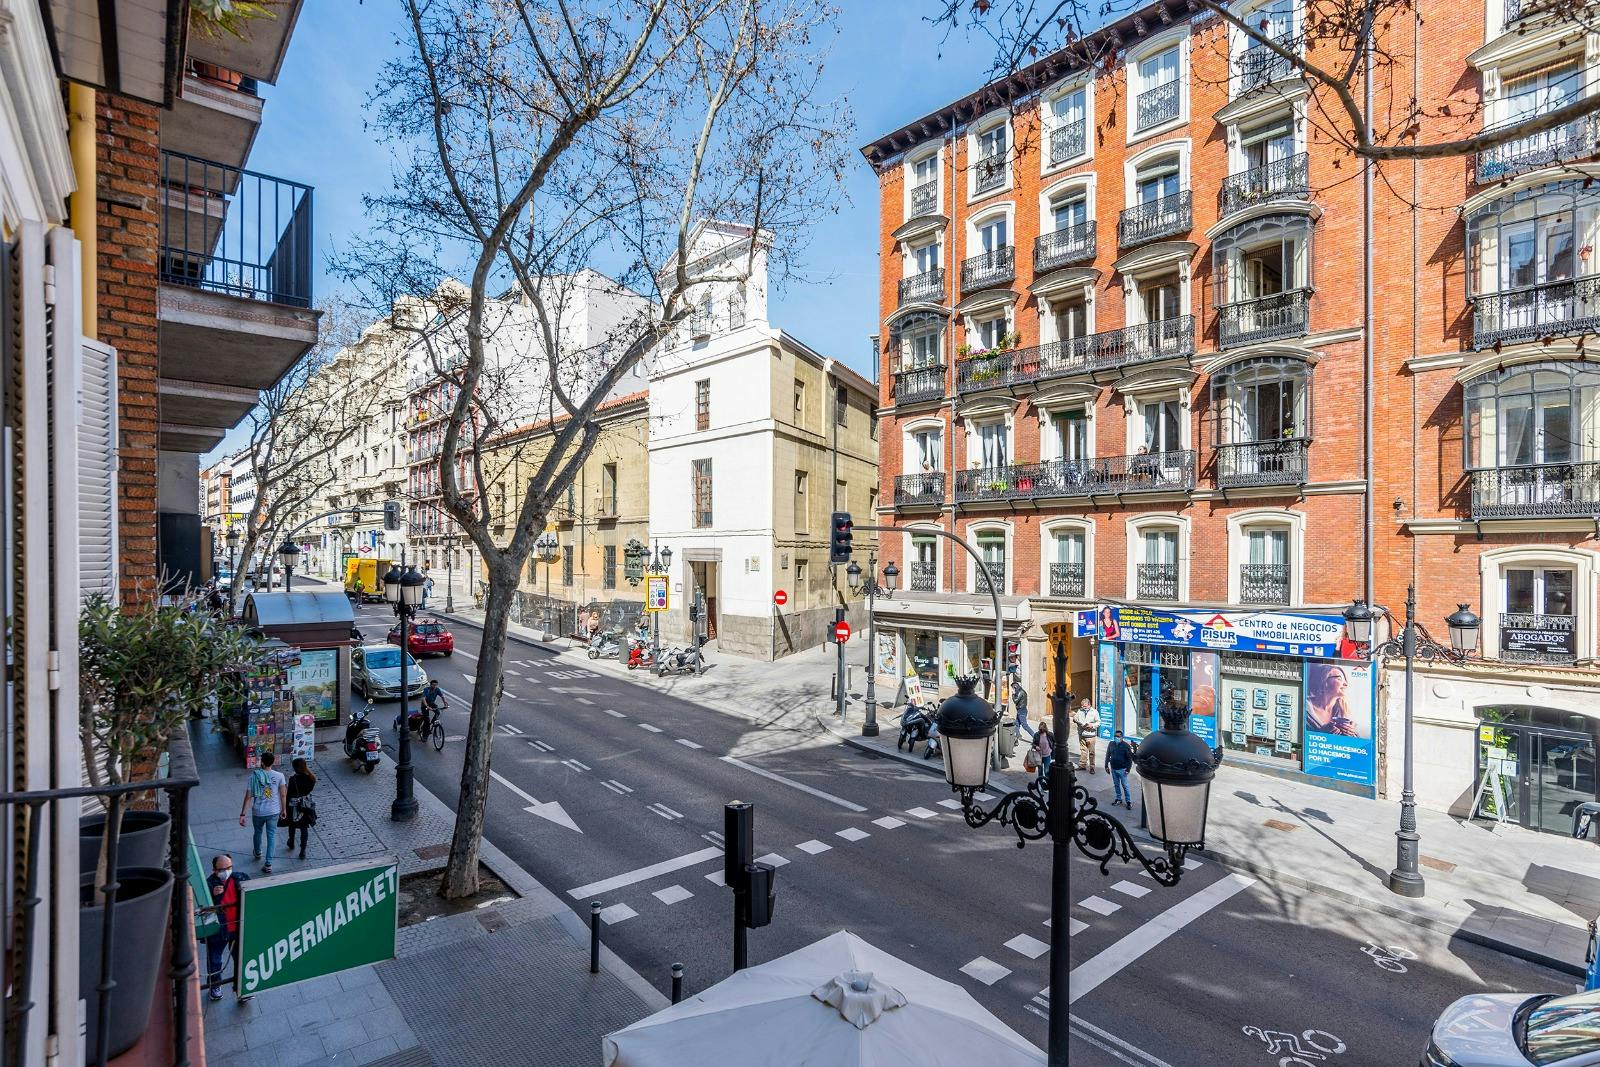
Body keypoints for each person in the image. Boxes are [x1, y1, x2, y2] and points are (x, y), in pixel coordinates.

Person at [204, 854, 249, 1000]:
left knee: (240, 959)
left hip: (238, 927)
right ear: (214, 870)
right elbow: (203, 907)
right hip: (219, 931)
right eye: (222, 869)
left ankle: (242, 988)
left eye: (229, 867)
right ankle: (215, 985)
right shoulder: (208, 884)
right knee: (215, 959)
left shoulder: (240, 878)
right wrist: (212, 895)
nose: (226, 871)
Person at [239, 750, 287, 873]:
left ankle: (258, 852)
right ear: (272, 762)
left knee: (258, 832)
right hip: (273, 811)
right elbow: (283, 795)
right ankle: (268, 863)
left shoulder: (253, 776)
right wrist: (284, 809)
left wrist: (243, 814)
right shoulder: (280, 776)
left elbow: (248, 797)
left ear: (262, 763)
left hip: (258, 812)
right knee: (271, 836)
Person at [1305, 664, 1360, 736]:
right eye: (1340, 679)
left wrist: (1352, 733)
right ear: (1324, 681)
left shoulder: (1344, 712)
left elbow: (1357, 741)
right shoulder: (1304, 707)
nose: (1346, 684)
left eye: (1345, 680)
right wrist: (1321, 733)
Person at [283, 757, 317, 861]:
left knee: (292, 825)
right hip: (305, 806)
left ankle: (291, 841)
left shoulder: (293, 779)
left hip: (294, 806)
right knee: (304, 828)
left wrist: (285, 807)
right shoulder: (311, 778)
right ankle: (303, 850)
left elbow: (289, 794)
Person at [1105, 730, 1136, 809]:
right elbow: (1108, 755)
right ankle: (1118, 799)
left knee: (1125, 785)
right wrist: (1106, 766)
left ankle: (1128, 801)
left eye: (1118, 736)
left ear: (1122, 737)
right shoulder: (1111, 744)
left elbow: (1129, 759)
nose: (1116, 738)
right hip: (1113, 768)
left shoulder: (1126, 746)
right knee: (1116, 784)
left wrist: (1128, 769)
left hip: (1122, 769)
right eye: (1115, 736)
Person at [1073, 699, 1101, 774]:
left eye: (1084, 706)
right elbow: (1075, 717)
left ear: (1089, 705)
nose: (1083, 707)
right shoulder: (1080, 710)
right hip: (1082, 734)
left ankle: (1092, 767)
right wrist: (1075, 719)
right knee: (1083, 750)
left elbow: (1098, 722)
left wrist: (1092, 725)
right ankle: (1082, 765)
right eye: (1082, 706)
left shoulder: (1094, 712)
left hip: (1090, 735)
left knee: (1091, 752)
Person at [1012, 673, 1036, 743]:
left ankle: (1035, 737)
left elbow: (1015, 701)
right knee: (1017, 723)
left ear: (1015, 687)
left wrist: (1013, 694)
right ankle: (1018, 735)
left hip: (1021, 710)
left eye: (1013, 688)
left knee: (1025, 725)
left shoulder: (1021, 692)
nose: (1012, 689)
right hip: (1020, 710)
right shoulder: (1021, 691)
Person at [1032, 721, 1053, 785]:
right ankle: (1041, 784)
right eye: (1040, 730)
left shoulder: (1050, 735)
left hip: (1047, 756)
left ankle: (1048, 784)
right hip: (1039, 756)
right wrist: (1036, 747)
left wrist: (1052, 749)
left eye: (1042, 730)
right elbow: (1033, 744)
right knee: (1040, 771)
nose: (1041, 731)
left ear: (1045, 729)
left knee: (1046, 771)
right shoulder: (1036, 735)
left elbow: (1054, 742)